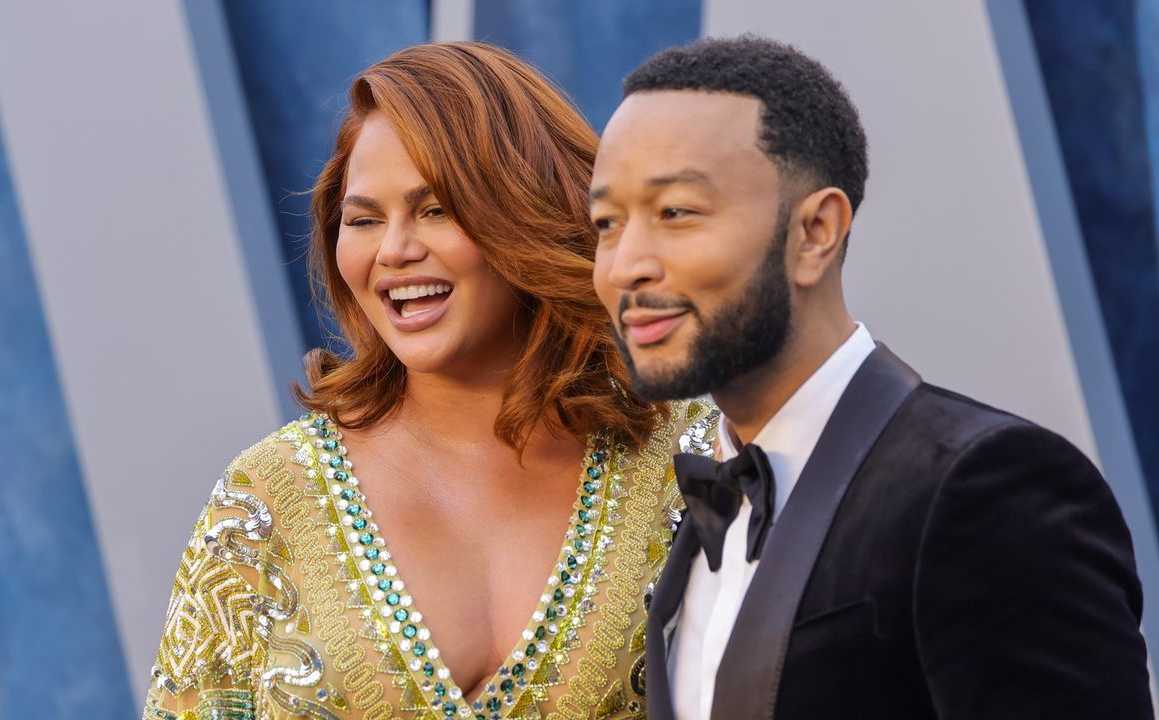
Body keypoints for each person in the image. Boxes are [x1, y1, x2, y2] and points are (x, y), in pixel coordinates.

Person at [142, 41, 716, 720]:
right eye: (362, 220)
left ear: (526, 212)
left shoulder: (693, 461)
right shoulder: (265, 502)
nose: (393, 250)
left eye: (436, 208)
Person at [589, 35, 1152, 720]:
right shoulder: (700, 513)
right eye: (606, 223)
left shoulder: (987, 486)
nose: (625, 266)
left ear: (816, 232)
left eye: (675, 212)